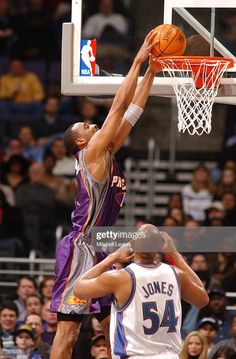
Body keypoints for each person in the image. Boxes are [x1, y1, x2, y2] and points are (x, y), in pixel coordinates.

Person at [50, 30, 161, 359]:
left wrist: (152, 73)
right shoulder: (91, 154)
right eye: (82, 126)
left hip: (101, 244)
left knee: (115, 326)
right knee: (69, 331)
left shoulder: (106, 150)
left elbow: (131, 114)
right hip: (82, 246)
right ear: (80, 143)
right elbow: (118, 107)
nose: (88, 123)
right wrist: (139, 60)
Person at [74, 224, 209, 358]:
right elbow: (203, 299)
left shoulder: (120, 277)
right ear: (161, 245)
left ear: (132, 243)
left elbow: (78, 288)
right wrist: (175, 255)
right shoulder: (176, 274)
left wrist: (112, 257)